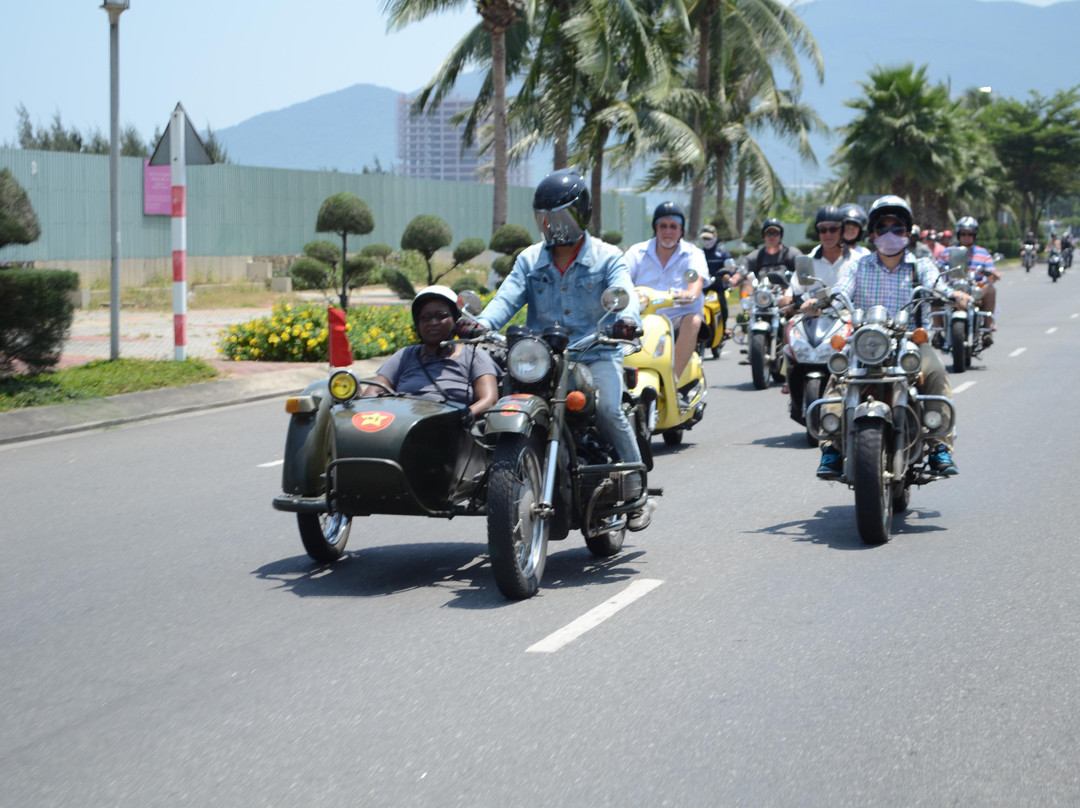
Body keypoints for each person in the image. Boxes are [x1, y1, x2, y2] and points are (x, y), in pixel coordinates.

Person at [463, 169, 653, 528]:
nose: (553, 227)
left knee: (608, 410)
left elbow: (623, 294)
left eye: (562, 217)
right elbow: (506, 298)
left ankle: (635, 488)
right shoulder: (529, 259)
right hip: (540, 358)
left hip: (594, 352)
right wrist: (482, 323)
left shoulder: (608, 257)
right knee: (497, 408)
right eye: (545, 219)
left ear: (581, 213)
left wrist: (626, 321)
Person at [816, 195, 968, 479]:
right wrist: (819, 301)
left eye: (897, 227)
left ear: (907, 233)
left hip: (911, 341)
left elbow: (938, 286)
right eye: (882, 228)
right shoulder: (859, 266)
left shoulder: (920, 266)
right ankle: (832, 447)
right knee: (838, 376)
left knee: (935, 373)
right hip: (866, 342)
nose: (890, 234)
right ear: (873, 234)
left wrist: (954, 295)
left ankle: (939, 445)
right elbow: (840, 291)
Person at [363, 286, 500, 423]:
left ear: (456, 320)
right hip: (404, 427)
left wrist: (458, 419)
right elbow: (371, 393)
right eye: (425, 318)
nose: (433, 323)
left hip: (454, 430)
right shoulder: (405, 355)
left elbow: (489, 401)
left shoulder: (473, 356)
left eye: (441, 316)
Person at [624, 202, 707, 380]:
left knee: (693, 321)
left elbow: (696, 281)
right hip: (640, 318)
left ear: (681, 230)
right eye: (663, 226)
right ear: (655, 228)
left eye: (673, 226)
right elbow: (621, 279)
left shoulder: (693, 254)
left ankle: (673, 380)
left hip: (676, 320)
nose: (668, 231)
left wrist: (690, 293)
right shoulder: (636, 252)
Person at [783, 205, 859, 312]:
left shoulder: (858, 261)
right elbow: (796, 295)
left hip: (848, 319)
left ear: (841, 230)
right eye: (823, 229)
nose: (828, 234)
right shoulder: (807, 262)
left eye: (833, 229)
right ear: (817, 231)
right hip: (813, 319)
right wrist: (809, 305)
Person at [940, 216, 1000, 338]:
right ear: (958, 235)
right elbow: (937, 267)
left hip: (974, 291)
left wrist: (994, 275)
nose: (966, 237)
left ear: (975, 236)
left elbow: (991, 270)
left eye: (970, 234)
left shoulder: (983, 253)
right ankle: (937, 332)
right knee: (934, 291)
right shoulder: (948, 252)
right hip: (951, 290)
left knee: (990, 289)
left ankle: (987, 331)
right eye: (963, 234)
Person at [729, 218, 802, 295]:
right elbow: (742, 270)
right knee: (746, 282)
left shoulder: (791, 254)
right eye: (768, 233)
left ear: (781, 235)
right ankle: (746, 303)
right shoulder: (756, 256)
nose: (772, 237)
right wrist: (735, 278)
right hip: (761, 296)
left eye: (775, 233)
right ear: (763, 235)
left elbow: (804, 271)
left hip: (786, 296)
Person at [699, 223, 735, 337]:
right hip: (703, 288)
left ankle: (723, 328)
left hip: (718, 287)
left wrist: (728, 276)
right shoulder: (698, 254)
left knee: (723, 305)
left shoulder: (723, 254)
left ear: (715, 237)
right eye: (705, 238)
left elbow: (732, 268)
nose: (707, 241)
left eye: (709, 238)